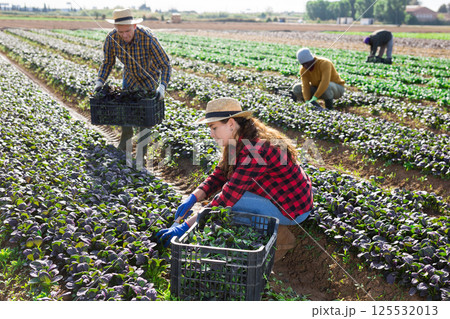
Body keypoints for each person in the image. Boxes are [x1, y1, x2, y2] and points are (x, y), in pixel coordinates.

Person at [156, 97, 314, 262]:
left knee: (232, 204)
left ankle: (282, 238)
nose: (211, 134)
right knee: (224, 204)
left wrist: (185, 226)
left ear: (231, 124)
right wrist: (194, 197)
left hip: (292, 209)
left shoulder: (257, 148)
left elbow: (229, 197)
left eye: (214, 127)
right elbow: (220, 174)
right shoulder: (238, 141)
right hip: (277, 199)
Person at [94, 8, 171, 153]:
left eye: (128, 31)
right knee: (126, 112)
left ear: (134, 26)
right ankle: (125, 144)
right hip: (130, 77)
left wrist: (162, 87)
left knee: (145, 117)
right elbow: (107, 62)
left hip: (150, 78)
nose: (124, 35)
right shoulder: (112, 39)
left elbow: (165, 64)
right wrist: (100, 82)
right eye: (120, 32)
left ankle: (142, 152)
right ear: (115, 28)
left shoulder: (147, 38)